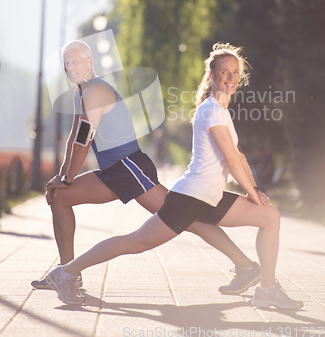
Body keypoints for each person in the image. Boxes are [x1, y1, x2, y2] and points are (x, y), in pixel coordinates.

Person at [45, 42, 304, 310]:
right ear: (211, 75)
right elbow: (231, 160)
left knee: (269, 216)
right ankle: (66, 272)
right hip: (191, 195)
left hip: (186, 188)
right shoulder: (211, 110)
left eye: (235, 73)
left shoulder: (219, 111)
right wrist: (64, 177)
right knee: (138, 241)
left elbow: (237, 156)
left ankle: (266, 287)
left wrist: (256, 190)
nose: (231, 78)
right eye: (224, 72)